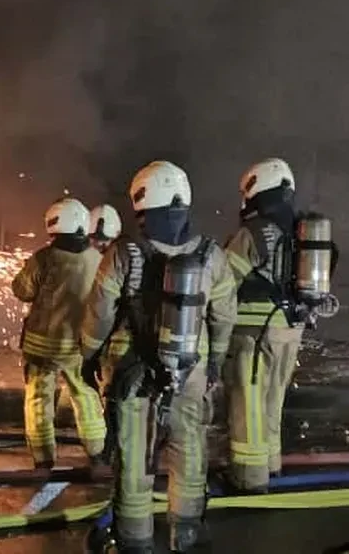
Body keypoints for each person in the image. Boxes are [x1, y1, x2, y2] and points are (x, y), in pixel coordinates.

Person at [81, 161, 236, 554]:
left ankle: (134, 542)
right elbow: (224, 316)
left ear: (142, 204)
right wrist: (215, 361)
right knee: (189, 452)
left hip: (135, 373)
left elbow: (99, 314)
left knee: (135, 459)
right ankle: (186, 535)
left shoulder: (124, 254)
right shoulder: (211, 255)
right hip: (192, 370)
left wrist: (88, 354)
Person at [223, 158, 339, 494]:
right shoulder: (301, 229)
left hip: (254, 332)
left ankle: (249, 477)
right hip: (291, 327)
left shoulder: (254, 232)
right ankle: (271, 464)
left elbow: (223, 281)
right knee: (273, 400)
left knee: (249, 404)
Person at [11, 197, 108, 471]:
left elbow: (22, 290)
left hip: (42, 349)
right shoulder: (97, 259)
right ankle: (96, 451)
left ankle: (43, 457)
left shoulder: (44, 258)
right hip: (79, 347)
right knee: (86, 395)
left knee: (39, 398)